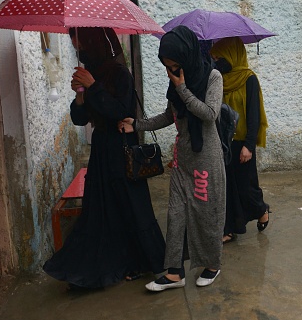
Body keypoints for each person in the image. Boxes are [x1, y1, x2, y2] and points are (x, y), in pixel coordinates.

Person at [43, 27, 166, 290]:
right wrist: (79, 95)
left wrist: (93, 87)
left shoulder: (119, 74)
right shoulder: (92, 74)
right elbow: (80, 119)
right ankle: (113, 263)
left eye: (79, 43)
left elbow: (120, 112)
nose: (77, 49)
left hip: (122, 147)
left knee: (132, 205)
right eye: (74, 44)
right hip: (101, 150)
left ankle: (148, 261)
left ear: (93, 42)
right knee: (103, 208)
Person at [120, 25, 226, 291]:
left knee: (205, 215)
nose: (172, 71)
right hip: (182, 159)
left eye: (175, 66)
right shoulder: (176, 81)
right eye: (167, 67)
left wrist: (183, 89)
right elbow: (170, 116)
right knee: (176, 214)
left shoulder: (213, 77)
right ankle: (175, 273)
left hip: (205, 160)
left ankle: (212, 264)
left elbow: (210, 114)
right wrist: (138, 125)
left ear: (187, 57)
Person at [209, 37, 270, 244]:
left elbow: (253, 115)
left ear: (232, 55)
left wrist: (249, 146)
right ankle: (229, 229)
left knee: (246, 187)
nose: (217, 61)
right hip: (223, 141)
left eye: (220, 57)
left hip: (243, 141)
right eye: (215, 57)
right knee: (227, 188)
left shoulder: (248, 78)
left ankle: (261, 209)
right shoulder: (218, 79)